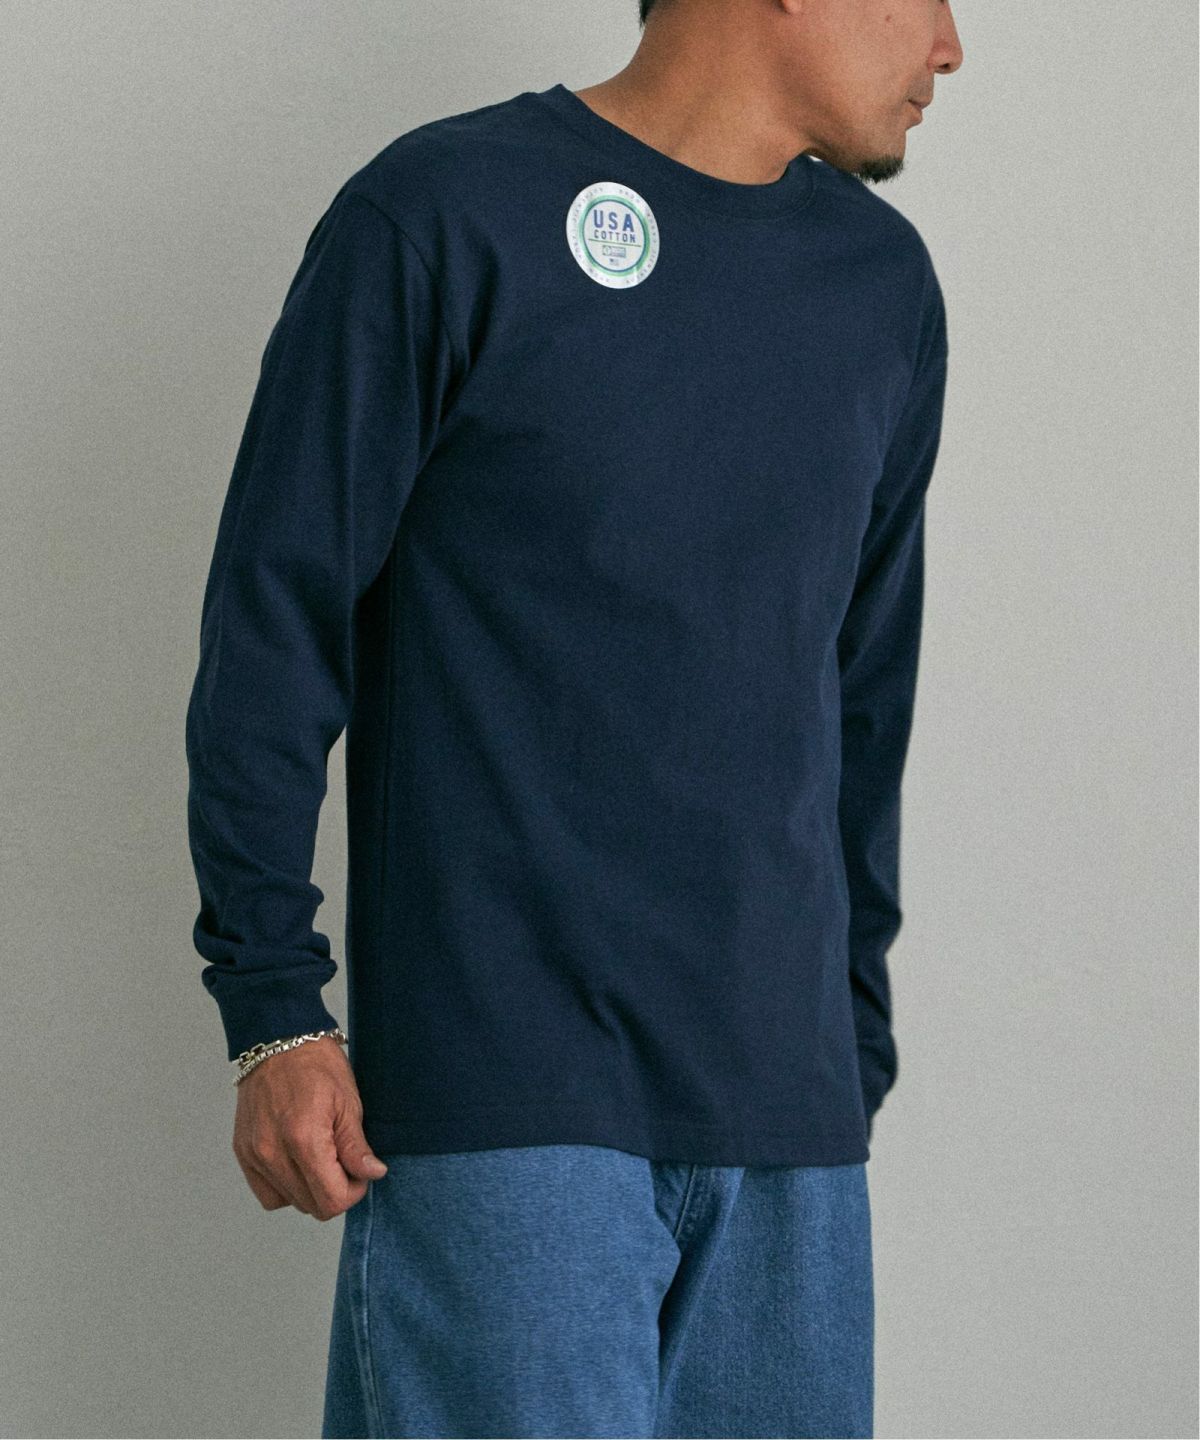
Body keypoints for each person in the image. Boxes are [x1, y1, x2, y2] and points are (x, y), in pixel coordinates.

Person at [183, 0, 962, 1433]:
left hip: (785, 1120)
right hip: (506, 1095)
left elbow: (862, 689)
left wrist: (847, 1044)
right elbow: (275, 620)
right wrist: (272, 1009)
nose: (952, 44)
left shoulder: (880, 288)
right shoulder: (444, 212)